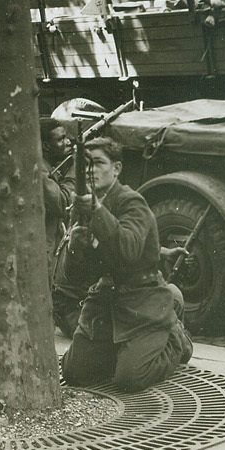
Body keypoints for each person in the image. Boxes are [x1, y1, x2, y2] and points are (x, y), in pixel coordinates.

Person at [60, 137, 193, 393]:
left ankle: (176, 335)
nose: (91, 170)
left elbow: (129, 250)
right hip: (104, 302)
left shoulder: (131, 202)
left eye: (99, 162)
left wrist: (97, 211)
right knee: (74, 373)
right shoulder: (83, 206)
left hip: (141, 299)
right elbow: (72, 278)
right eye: (86, 164)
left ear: (117, 168)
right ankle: (123, 348)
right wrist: (74, 247)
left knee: (130, 379)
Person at [41, 117, 81, 337]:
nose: (68, 142)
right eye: (60, 139)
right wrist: (75, 168)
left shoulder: (45, 165)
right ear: (45, 145)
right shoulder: (38, 168)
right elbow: (62, 202)